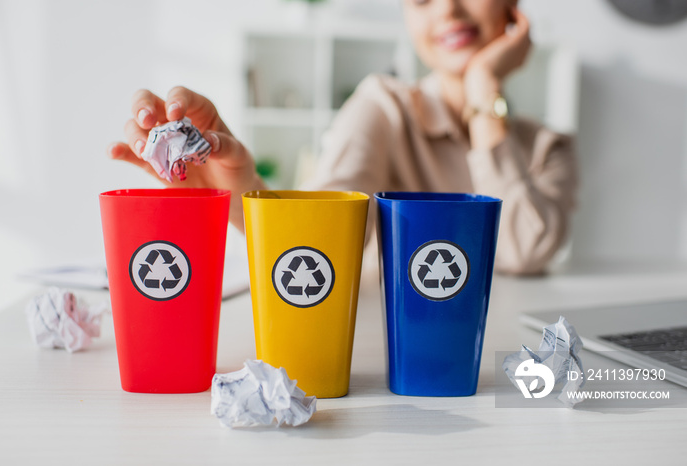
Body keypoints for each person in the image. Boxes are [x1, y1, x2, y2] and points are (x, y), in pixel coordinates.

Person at [108, 0, 578, 276]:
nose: (449, 10)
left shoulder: (546, 147)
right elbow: (317, 245)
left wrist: (481, 86)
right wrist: (236, 188)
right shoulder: (384, 105)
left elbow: (526, 250)